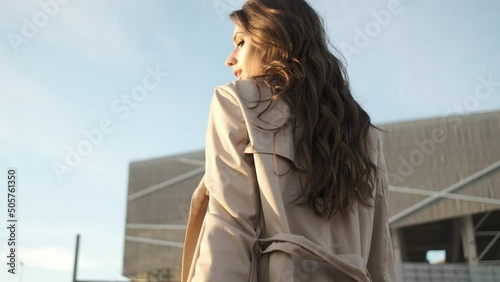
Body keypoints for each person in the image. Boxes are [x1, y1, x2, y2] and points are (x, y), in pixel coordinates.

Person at [181, 0, 396, 281]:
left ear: (274, 39)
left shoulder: (237, 100)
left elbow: (229, 226)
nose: (230, 58)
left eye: (241, 42)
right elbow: (380, 255)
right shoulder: (364, 132)